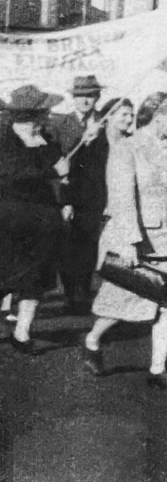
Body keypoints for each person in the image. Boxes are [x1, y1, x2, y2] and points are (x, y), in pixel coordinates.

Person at [81, 93, 167, 391]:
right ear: (158, 114)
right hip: (140, 241)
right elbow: (121, 197)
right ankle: (92, 341)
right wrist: (129, 241)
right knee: (123, 304)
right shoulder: (127, 148)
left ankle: (158, 369)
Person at [0, 85, 69, 354]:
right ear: (32, 116)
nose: (47, 117)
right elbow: (10, 176)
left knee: (36, 280)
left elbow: (63, 176)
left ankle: (22, 333)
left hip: (43, 223)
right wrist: (52, 171)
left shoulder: (47, 141)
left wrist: (64, 197)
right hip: (8, 223)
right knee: (5, 277)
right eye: (44, 113)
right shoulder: (3, 141)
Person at [61, 98, 134, 316]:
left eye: (131, 115)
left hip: (120, 205)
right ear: (108, 117)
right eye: (123, 114)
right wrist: (68, 202)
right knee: (83, 252)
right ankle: (77, 296)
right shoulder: (90, 143)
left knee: (117, 254)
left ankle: (116, 299)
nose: (129, 120)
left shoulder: (133, 142)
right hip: (89, 204)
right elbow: (71, 174)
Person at [49, 75, 104, 313]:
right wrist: (83, 137)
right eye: (81, 95)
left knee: (91, 242)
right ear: (74, 98)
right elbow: (57, 156)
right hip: (69, 192)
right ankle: (71, 293)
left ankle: (83, 291)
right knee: (69, 243)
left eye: (90, 95)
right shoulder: (61, 123)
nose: (85, 100)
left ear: (97, 97)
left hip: (96, 192)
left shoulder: (105, 120)